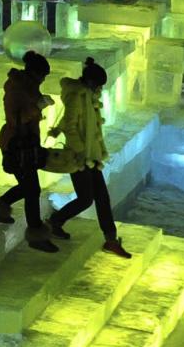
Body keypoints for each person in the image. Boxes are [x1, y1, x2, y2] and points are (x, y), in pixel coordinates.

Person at [44, 58, 130, 258]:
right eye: (99, 85)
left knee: (101, 197)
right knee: (85, 199)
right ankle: (54, 222)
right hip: (80, 156)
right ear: (91, 82)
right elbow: (70, 125)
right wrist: (81, 149)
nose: (99, 89)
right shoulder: (77, 96)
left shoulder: (88, 95)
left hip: (91, 155)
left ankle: (111, 239)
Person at [0, 51, 58, 252]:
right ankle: (36, 235)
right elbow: (14, 119)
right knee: (32, 189)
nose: (43, 79)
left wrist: (39, 104)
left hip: (26, 143)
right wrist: (38, 106)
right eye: (43, 75)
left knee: (28, 186)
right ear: (34, 73)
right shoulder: (17, 89)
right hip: (16, 144)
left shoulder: (29, 87)